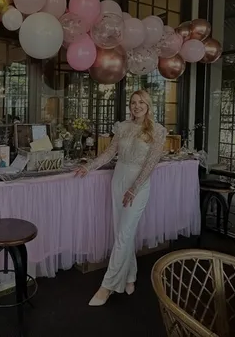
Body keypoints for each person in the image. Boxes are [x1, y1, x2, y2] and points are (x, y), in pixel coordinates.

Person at [74, 90, 167, 306]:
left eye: (141, 102)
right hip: (118, 180)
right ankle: (130, 275)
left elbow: (150, 164)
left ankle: (107, 286)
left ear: (148, 105)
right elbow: (110, 153)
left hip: (138, 185)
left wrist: (134, 188)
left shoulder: (158, 130)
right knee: (122, 233)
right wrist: (89, 167)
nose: (137, 106)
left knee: (124, 235)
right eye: (133, 102)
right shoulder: (123, 127)